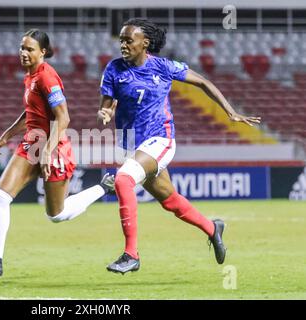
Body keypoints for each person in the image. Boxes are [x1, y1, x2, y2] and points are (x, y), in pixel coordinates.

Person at [97, 18, 261, 274]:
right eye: (121, 40)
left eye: (129, 40)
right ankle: (212, 228)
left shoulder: (163, 67)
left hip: (160, 139)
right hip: (132, 145)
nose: (123, 44)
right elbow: (106, 104)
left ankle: (131, 254)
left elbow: (204, 83)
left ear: (145, 43)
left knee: (123, 180)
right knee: (169, 200)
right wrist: (105, 113)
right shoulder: (113, 69)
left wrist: (231, 112)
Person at [0, 29, 114, 278]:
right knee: (1, 196)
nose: (23, 53)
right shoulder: (30, 77)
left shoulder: (47, 77)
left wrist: (47, 151)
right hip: (32, 144)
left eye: (29, 49)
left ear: (43, 52)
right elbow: (31, 114)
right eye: (22, 48)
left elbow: (63, 117)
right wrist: (6, 135)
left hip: (53, 147)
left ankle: (103, 187)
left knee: (56, 215)